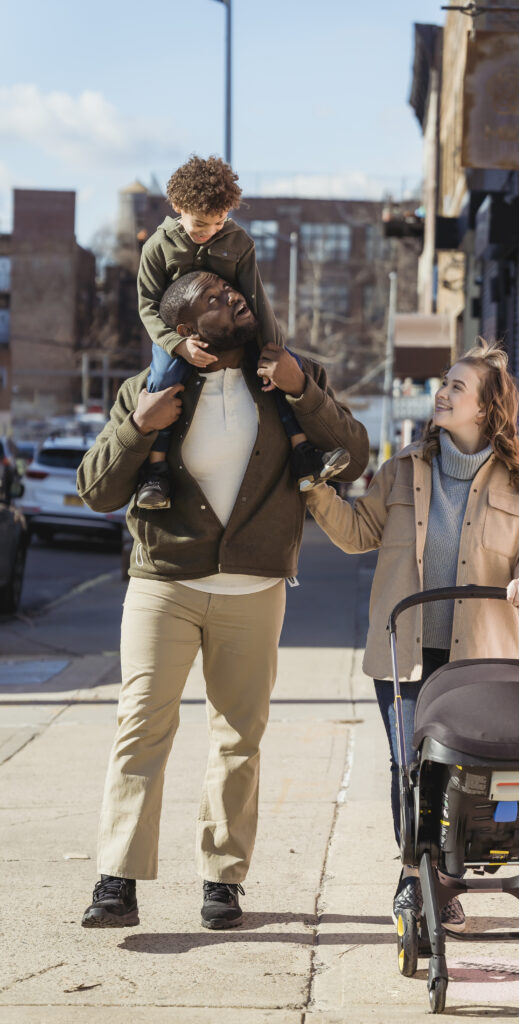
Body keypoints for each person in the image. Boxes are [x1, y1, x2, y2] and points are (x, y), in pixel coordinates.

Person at [77, 271, 368, 930]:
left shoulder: (294, 377)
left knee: (239, 738)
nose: (231, 299)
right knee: (140, 730)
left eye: (233, 293)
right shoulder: (146, 389)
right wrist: (137, 427)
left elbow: (351, 457)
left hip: (254, 588)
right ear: (185, 327)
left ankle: (221, 880)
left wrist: (303, 389)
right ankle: (116, 879)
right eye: (212, 298)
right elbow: (94, 491)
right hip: (164, 584)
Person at [304, 341, 519, 933]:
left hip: (481, 664)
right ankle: (415, 882)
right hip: (407, 658)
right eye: (443, 383)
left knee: (467, 773)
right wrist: (314, 490)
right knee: (411, 771)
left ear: (486, 410)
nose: (441, 393)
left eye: (456, 388)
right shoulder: (402, 470)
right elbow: (356, 532)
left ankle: (446, 879)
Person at [136, 154, 349, 509]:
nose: (211, 231)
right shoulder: (157, 248)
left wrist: (273, 349)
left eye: (219, 222)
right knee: (162, 379)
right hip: (178, 339)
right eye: (201, 224)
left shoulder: (238, 242)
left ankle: (304, 455)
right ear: (177, 206)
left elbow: (256, 299)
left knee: (279, 372)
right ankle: (155, 473)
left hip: (234, 334)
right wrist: (178, 345)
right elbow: (147, 307)